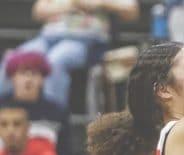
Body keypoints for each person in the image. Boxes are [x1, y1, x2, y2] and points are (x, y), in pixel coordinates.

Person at [0, 0, 140, 108]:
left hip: (85, 39)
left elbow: (132, 10)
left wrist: (100, 3)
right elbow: (38, 11)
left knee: (56, 60)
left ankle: (53, 120)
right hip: (48, 36)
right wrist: (71, 5)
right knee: (13, 59)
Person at [0, 51, 73, 155]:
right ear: (12, 76)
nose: (28, 79)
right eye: (23, 73)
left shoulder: (57, 111)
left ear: (42, 79)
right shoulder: (1, 106)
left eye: (34, 73)